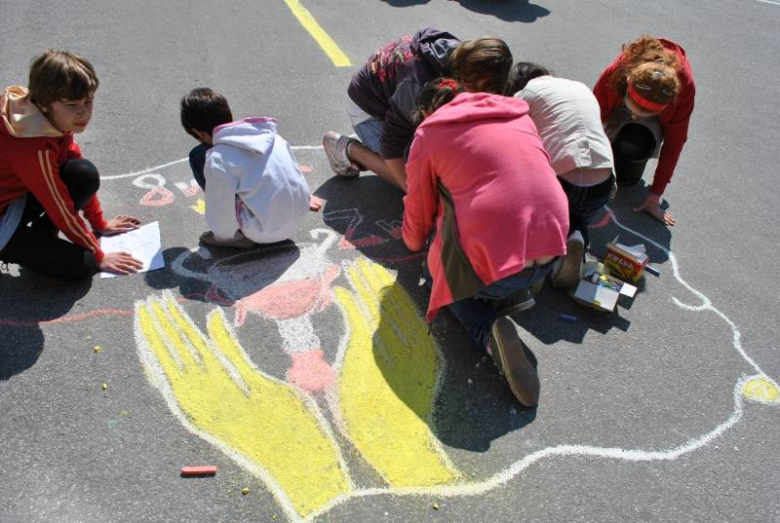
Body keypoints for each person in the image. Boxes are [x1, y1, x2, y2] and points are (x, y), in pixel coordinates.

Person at [402, 78, 574, 407]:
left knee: (437, 271)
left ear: (428, 111)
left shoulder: (430, 133)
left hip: (499, 266)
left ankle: (488, 331)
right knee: (485, 222)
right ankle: (516, 289)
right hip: (554, 245)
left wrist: (414, 244)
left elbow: (419, 209)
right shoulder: (518, 116)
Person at [0, 50, 142, 280]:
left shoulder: (43, 118)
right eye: (71, 105)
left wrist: (100, 224)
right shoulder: (33, 144)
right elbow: (59, 205)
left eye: (88, 101)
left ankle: (40, 233)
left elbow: (74, 164)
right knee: (84, 265)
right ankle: (17, 245)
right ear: (45, 103)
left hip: (12, 200)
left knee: (84, 173)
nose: (83, 112)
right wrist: (99, 255)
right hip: (3, 221)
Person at [322, 29, 513, 192]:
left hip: (398, 101)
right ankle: (349, 149)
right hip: (369, 111)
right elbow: (391, 146)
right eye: (479, 90)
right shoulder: (418, 86)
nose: (483, 96)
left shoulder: (466, 59)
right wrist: (415, 195)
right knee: (419, 181)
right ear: (465, 78)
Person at [510, 63, 615, 285]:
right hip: (602, 182)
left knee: (538, 215)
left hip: (561, 178)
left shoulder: (526, 93)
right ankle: (576, 237)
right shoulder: (581, 88)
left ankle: (539, 265)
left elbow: (511, 138)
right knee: (576, 217)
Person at [181, 88, 314, 248]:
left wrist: (223, 237)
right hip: (299, 216)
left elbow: (220, 209)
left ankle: (239, 238)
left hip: (262, 232)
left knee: (198, 156)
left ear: (199, 133)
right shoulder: (273, 136)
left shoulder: (218, 158)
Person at [594, 35, 696, 226]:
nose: (636, 117)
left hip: (641, 132)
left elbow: (675, 142)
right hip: (618, 102)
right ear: (628, 82)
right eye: (634, 111)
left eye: (645, 114)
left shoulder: (684, 88)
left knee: (634, 145)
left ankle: (628, 163)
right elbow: (592, 118)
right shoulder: (617, 72)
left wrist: (656, 194)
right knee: (597, 159)